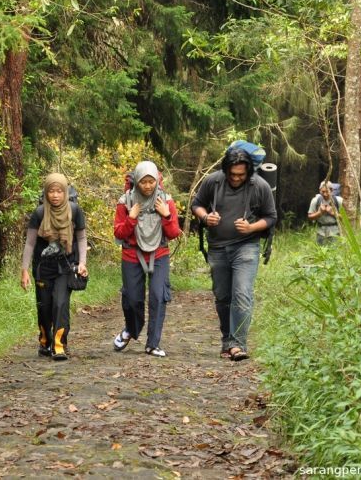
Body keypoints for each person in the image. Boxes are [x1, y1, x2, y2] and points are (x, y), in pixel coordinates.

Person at [191, 148, 277, 361]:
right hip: (218, 247)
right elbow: (196, 204)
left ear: (249, 171)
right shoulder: (213, 182)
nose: (237, 178)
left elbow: (271, 216)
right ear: (226, 170)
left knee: (242, 293)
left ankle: (238, 344)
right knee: (223, 297)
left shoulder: (260, 186)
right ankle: (227, 340)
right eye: (233, 174)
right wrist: (205, 217)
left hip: (246, 246)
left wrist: (252, 227)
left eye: (241, 175)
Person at [112, 161, 181, 357]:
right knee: (133, 299)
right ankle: (131, 330)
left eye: (151, 181)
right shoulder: (125, 201)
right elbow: (118, 232)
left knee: (159, 297)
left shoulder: (165, 200)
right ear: (136, 182)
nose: (148, 186)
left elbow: (174, 232)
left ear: (157, 181)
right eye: (143, 182)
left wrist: (166, 215)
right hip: (132, 253)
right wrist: (131, 217)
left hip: (159, 253)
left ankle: (153, 344)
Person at [20, 173, 88, 361]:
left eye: (59, 191)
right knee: (45, 308)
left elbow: (81, 238)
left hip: (65, 266)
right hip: (43, 267)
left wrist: (82, 263)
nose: (55, 195)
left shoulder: (75, 211)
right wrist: (24, 270)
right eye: (51, 191)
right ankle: (45, 340)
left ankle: (59, 345)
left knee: (60, 304)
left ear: (65, 192)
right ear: (46, 193)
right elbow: (30, 244)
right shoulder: (40, 213)